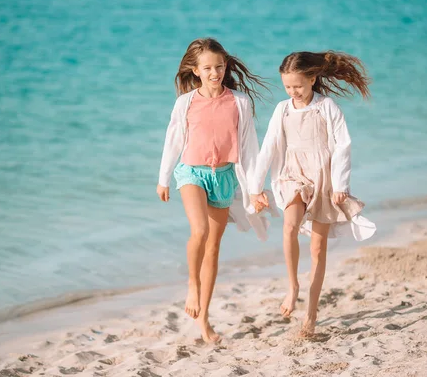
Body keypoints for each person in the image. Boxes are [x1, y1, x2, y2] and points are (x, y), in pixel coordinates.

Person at [249, 51, 376, 337]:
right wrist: (255, 188)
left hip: (324, 179)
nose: (294, 92)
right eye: (288, 87)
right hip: (292, 174)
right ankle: (292, 286)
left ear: (312, 79)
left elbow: (343, 145)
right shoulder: (282, 109)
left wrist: (341, 184)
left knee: (318, 249)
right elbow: (268, 146)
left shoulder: (326, 107)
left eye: (299, 86)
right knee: (289, 226)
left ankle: (311, 311)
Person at [157, 38, 274, 343]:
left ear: (225, 66)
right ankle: (192, 284)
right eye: (207, 68)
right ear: (195, 70)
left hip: (223, 177)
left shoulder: (239, 102)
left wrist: (254, 188)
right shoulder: (185, 102)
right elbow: (174, 140)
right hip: (191, 173)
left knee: (213, 248)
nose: (215, 72)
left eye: (219, 66)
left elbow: (249, 148)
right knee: (199, 231)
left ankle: (204, 321)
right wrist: (164, 178)